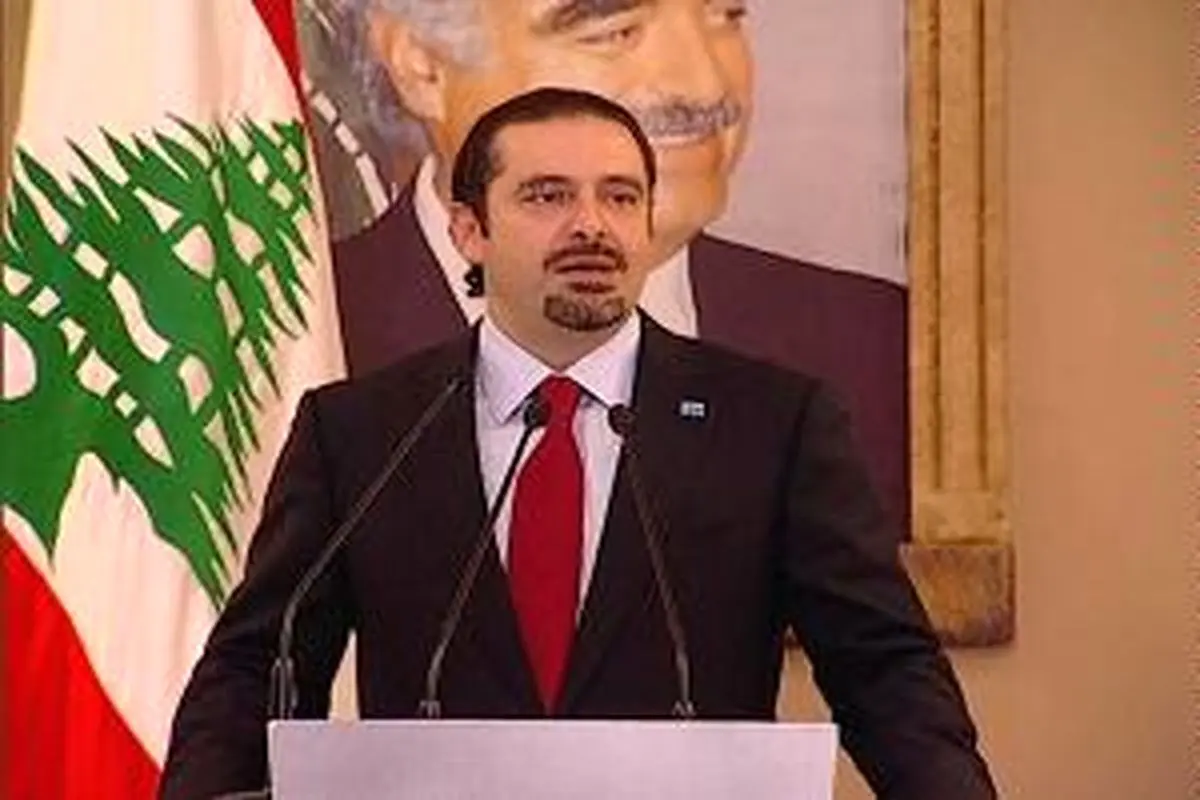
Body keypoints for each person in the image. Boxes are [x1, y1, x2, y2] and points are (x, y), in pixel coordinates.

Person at [161, 87, 993, 799]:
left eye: (621, 197)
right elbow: (256, 668)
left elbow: (884, 670)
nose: (592, 226)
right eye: (548, 196)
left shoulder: (774, 424)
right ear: (469, 230)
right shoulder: (361, 432)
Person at [318, 0, 910, 532]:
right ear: (422, 65)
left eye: (725, 15)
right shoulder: (308, 342)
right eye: (612, 30)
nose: (704, 85)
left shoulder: (879, 351)